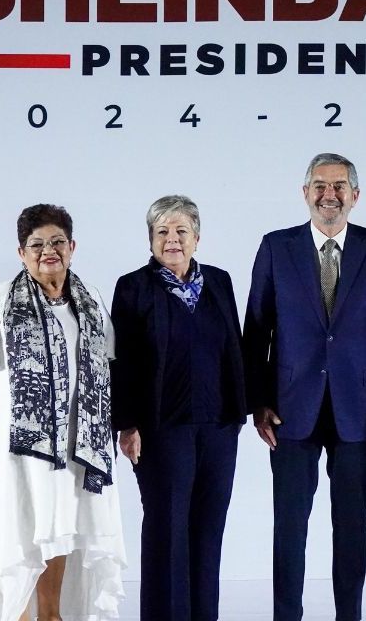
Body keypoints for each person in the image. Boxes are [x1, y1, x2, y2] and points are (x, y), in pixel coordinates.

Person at [244, 153, 366, 621]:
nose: (328, 194)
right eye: (319, 185)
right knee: (289, 527)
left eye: (338, 186)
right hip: (290, 409)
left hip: (359, 408)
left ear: (355, 195)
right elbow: (257, 329)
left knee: (350, 525)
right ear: (305, 192)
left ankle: (348, 615)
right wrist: (259, 401)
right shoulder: (276, 247)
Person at [0, 203, 125, 621]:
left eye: (56, 242)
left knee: (60, 529)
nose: (48, 251)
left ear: (72, 247)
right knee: (19, 528)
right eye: (36, 244)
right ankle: (18, 615)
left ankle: (52, 615)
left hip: (74, 446)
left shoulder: (89, 302)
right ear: (21, 253)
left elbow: (107, 366)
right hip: (17, 447)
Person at [110, 195, 247, 621]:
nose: (172, 239)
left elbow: (235, 349)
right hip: (160, 430)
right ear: (150, 240)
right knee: (167, 531)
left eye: (181, 231)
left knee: (208, 532)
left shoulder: (220, 281)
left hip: (218, 427)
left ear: (197, 238)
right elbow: (122, 360)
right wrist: (127, 424)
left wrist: (241, 414)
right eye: (163, 232)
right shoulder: (133, 287)